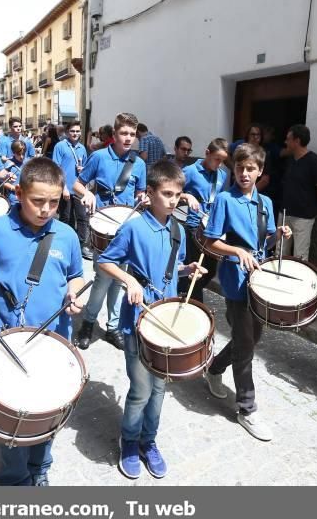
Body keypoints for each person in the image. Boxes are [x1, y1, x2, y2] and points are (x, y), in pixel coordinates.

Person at [0, 157, 86, 487]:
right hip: (6, 340)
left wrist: (76, 293)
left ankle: (41, 466)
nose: (46, 210)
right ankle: (15, 480)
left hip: (54, 342)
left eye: (54, 202)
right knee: (13, 422)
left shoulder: (67, 236)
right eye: (37, 201)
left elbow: (75, 275)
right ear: (18, 193)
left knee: (49, 411)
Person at [98, 160, 205, 479]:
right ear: (150, 193)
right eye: (167, 194)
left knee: (159, 388)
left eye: (178, 195)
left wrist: (188, 271)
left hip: (167, 319)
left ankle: (149, 440)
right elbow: (105, 261)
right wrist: (129, 280)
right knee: (141, 390)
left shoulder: (177, 229)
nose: (174, 201)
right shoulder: (133, 227)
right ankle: (129, 441)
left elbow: (174, 265)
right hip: (137, 320)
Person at [202, 143, 291, 441]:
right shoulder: (225, 201)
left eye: (250, 169)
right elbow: (210, 242)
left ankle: (214, 368)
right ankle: (246, 408)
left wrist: (277, 234)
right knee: (245, 344)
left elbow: (263, 239)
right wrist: (236, 251)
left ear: (260, 171)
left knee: (252, 338)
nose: (244, 173)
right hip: (235, 282)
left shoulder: (265, 202)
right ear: (234, 169)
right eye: (240, 168)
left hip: (260, 281)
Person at [73, 112, 148, 351]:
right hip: (103, 228)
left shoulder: (140, 163)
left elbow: (140, 192)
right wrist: (86, 193)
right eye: (124, 133)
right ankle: (89, 322)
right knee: (103, 278)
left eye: (132, 134)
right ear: (114, 134)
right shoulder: (98, 157)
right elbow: (76, 183)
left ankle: (113, 326)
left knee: (119, 280)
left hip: (127, 228)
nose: (128, 138)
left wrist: (143, 198)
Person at [177, 138, 230, 302]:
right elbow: (172, 192)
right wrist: (186, 196)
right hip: (194, 226)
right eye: (217, 159)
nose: (219, 164)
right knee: (196, 271)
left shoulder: (222, 174)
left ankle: (182, 288)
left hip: (212, 227)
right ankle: (196, 305)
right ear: (207, 153)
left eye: (222, 161)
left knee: (211, 271)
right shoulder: (190, 171)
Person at [278, 125, 317, 260]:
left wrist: (312, 205)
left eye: (288, 139)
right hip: (285, 213)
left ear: (297, 141)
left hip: (304, 216)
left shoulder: (314, 161)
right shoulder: (290, 160)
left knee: (299, 255)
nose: (285, 142)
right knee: (280, 251)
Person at [52, 121, 90, 258]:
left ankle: (80, 245)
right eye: (72, 131)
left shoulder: (82, 148)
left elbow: (87, 169)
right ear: (67, 132)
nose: (75, 134)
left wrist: (83, 169)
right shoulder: (60, 146)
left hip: (79, 190)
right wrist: (63, 188)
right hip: (66, 189)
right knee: (66, 218)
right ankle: (64, 244)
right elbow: (56, 169)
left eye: (78, 131)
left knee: (82, 218)